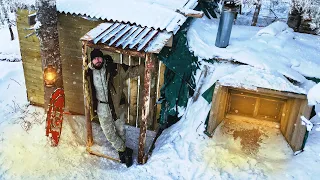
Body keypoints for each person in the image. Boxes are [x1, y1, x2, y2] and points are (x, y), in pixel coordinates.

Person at [88, 49, 141, 167]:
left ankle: (122, 154)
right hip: (101, 107)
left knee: (120, 130)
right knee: (109, 133)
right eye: (95, 58)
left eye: (99, 58)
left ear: (103, 58)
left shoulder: (114, 69)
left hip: (117, 106)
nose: (97, 60)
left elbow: (132, 71)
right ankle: (124, 150)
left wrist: (146, 67)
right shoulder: (89, 73)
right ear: (91, 60)